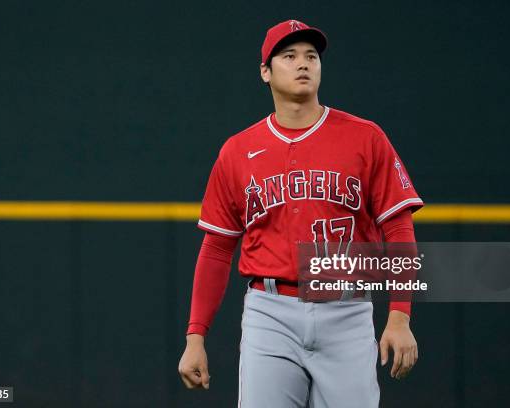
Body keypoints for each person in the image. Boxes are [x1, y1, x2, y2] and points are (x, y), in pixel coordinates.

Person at [178, 19, 423, 407]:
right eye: (289, 56)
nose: (303, 63)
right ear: (265, 71)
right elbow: (217, 249)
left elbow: (398, 228)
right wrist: (195, 336)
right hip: (270, 312)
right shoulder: (237, 151)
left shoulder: (365, 137)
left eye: (311, 56)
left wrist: (399, 316)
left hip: (346, 307)